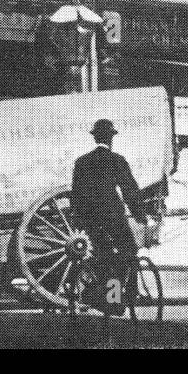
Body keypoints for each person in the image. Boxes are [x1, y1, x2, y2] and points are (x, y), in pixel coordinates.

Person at [70, 119, 145, 310]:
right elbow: (130, 191)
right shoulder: (117, 160)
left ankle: (101, 292)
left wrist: (79, 221)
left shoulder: (82, 162)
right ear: (111, 138)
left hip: (89, 220)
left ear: (95, 138)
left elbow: (75, 195)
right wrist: (139, 214)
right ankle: (117, 299)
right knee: (128, 251)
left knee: (102, 255)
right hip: (113, 216)